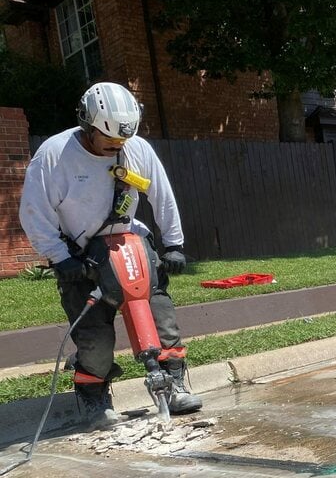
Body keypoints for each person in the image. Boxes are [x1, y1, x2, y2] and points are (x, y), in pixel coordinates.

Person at [19, 82, 202, 426]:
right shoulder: (55, 155)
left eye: (122, 139)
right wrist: (60, 257)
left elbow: (162, 196)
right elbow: (34, 212)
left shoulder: (138, 150)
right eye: (109, 139)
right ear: (88, 125)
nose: (117, 146)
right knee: (94, 341)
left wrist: (174, 245)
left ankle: (173, 386)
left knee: (163, 322)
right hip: (81, 258)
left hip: (131, 247)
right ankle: (94, 399)